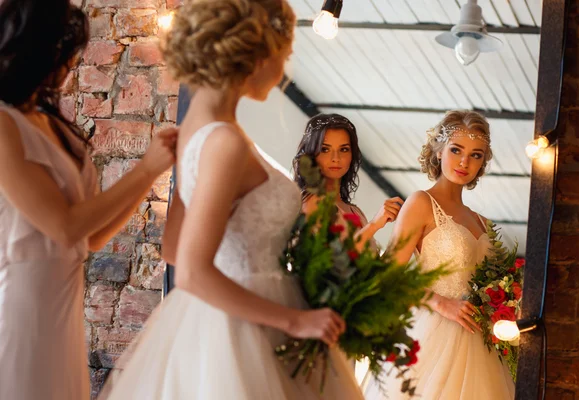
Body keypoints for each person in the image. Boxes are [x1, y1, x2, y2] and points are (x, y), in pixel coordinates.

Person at [99, 1, 364, 399]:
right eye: (284, 56)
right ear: (255, 53)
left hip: (213, 324)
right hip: (246, 331)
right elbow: (189, 272)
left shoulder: (195, 129)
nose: (282, 73)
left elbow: (172, 247)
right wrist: (295, 321)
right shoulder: (224, 141)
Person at [0, 2, 176, 400]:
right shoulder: (4, 124)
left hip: (63, 304)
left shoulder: (52, 124)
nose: (69, 64)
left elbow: (92, 237)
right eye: (62, 50)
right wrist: (145, 170)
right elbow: (64, 227)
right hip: (22, 308)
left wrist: (148, 178)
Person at [363, 110, 515, 399]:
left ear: (483, 163)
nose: (464, 162)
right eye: (456, 150)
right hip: (431, 334)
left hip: (478, 344)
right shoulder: (421, 202)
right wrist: (441, 303)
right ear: (438, 151)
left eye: (476, 155)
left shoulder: (483, 222)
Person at [294, 113, 402, 252]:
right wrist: (374, 225)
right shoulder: (312, 203)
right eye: (325, 149)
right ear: (311, 154)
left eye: (343, 149)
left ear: (352, 154)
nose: (335, 158)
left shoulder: (355, 211)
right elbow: (333, 263)